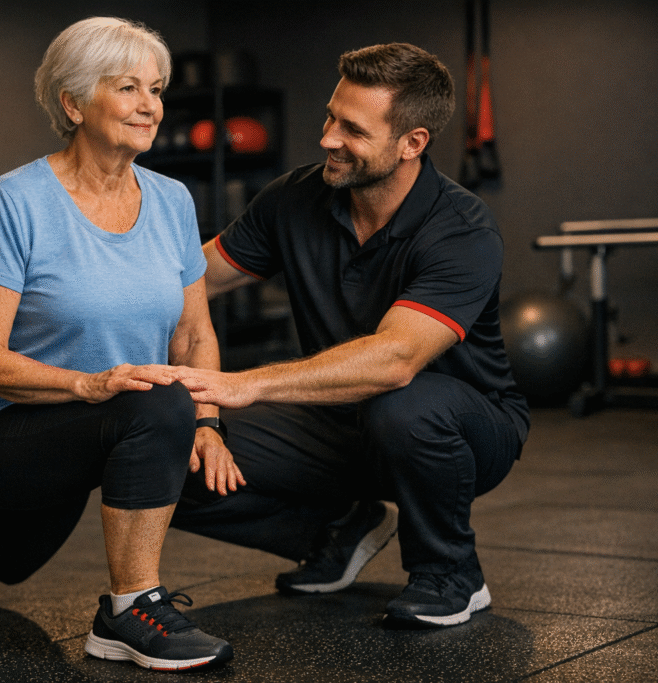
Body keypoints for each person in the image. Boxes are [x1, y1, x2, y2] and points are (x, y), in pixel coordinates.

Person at [0, 17, 241, 671]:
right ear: (73, 102)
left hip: (97, 417)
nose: (151, 104)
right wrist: (86, 385)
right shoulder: (17, 200)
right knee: (158, 403)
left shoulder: (172, 200)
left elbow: (194, 332)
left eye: (157, 87)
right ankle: (129, 610)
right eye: (128, 87)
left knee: (5, 556)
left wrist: (209, 419)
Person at [171, 43, 530, 628]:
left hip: (460, 431)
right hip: (335, 421)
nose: (328, 138)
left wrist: (242, 384)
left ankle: (451, 574)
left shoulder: (461, 229)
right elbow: (191, 281)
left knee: (405, 405)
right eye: (330, 117)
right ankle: (336, 531)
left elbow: (395, 360)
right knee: (157, 444)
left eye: (353, 130)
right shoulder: (294, 198)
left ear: (412, 142)